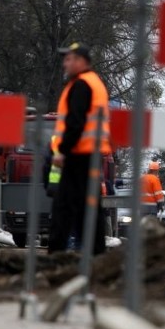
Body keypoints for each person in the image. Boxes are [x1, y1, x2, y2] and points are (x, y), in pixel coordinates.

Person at [48, 42, 111, 255]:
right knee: (89, 208)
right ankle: (97, 254)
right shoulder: (95, 83)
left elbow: (75, 122)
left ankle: (56, 254)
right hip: (90, 155)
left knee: (63, 207)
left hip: (77, 156)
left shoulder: (81, 85)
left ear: (81, 61)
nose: (65, 64)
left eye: (69, 59)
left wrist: (62, 151)